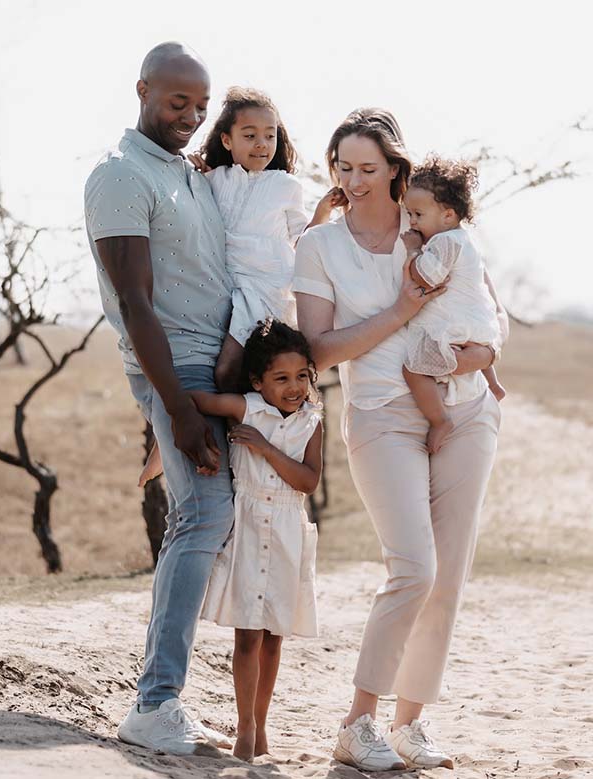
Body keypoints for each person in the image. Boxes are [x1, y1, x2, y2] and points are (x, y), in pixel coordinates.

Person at [293, 108, 509, 772]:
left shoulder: (439, 231)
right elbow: (318, 351)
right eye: (343, 168)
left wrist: (473, 360)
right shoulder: (319, 246)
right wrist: (400, 312)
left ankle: (409, 723)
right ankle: (357, 723)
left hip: (465, 414)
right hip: (383, 414)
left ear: (395, 170)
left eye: (367, 168)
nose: (353, 180)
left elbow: (489, 319)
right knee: (413, 566)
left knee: (447, 575)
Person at [84, 42, 235, 755]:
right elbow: (134, 300)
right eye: (179, 103)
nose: (191, 117)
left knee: (215, 518)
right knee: (201, 514)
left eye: (201, 107)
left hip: (217, 369)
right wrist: (175, 406)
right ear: (143, 89)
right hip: (178, 371)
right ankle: (154, 702)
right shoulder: (119, 176)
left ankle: (164, 697)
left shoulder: (189, 173)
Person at [139, 86, 341, 485]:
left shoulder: (286, 186)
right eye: (249, 135)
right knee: (200, 369)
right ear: (227, 140)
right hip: (221, 288)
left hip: (265, 290)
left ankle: (217, 446)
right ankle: (168, 443)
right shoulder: (215, 180)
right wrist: (196, 169)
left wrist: (322, 212)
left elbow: (303, 244)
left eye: (270, 135)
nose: (262, 143)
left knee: (230, 368)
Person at [193, 320, 323, 762]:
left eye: (302, 376)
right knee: (247, 635)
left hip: (287, 531)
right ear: (257, 381)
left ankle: (263, 724)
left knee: (274, 637)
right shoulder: (244, 408)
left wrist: (266, 448)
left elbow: (308, 481)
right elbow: (194, 400)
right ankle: (244, 726)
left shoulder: (312, 421)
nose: (294, 388)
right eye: (281, 378)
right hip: (248, 527)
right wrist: (196, 441)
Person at [401, 155, 506, 453]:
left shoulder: (442, 243)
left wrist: (412, 252)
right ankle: (494, 385)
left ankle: (440, 420)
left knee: (414, 369)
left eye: (418, 215)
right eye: (409, 213)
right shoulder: (466, 239)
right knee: (474, 347)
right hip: (478, 323)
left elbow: (426, 278)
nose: (412, 222)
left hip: (455, 325)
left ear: (447, 215)